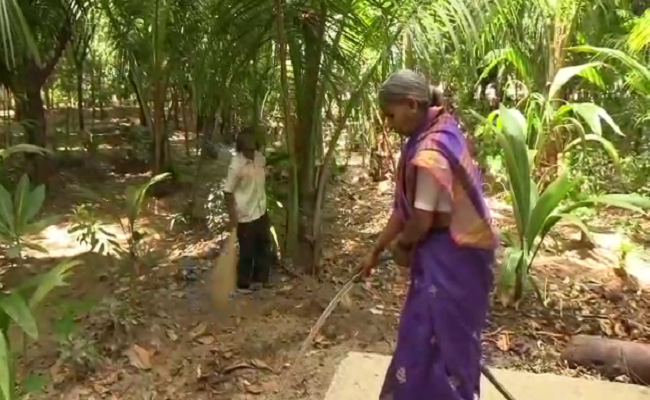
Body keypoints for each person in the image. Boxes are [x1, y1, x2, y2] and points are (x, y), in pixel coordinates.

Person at [360, 69, 498, 400]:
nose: (389, 124)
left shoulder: (429, 153)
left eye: (391, 115)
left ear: (411, 104)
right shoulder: (440, 128)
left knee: (437, 337)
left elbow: (421, 220)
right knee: (429, 336)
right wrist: (377, 248)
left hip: (454, 260)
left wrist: (403, 247)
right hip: (450, 257)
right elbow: (405, 210)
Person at [224, 127, 273, 293]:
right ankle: (243, 283)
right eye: (247, 149)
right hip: (245, 214)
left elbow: (262, 173)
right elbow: (228, 192)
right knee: (247, 250)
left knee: (264, 245)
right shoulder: (236, 166)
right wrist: (233, 217)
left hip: (260, 209)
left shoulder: (260, 159)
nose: (251, 152)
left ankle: (261, 278)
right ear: (241, 148)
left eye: (253, 148)